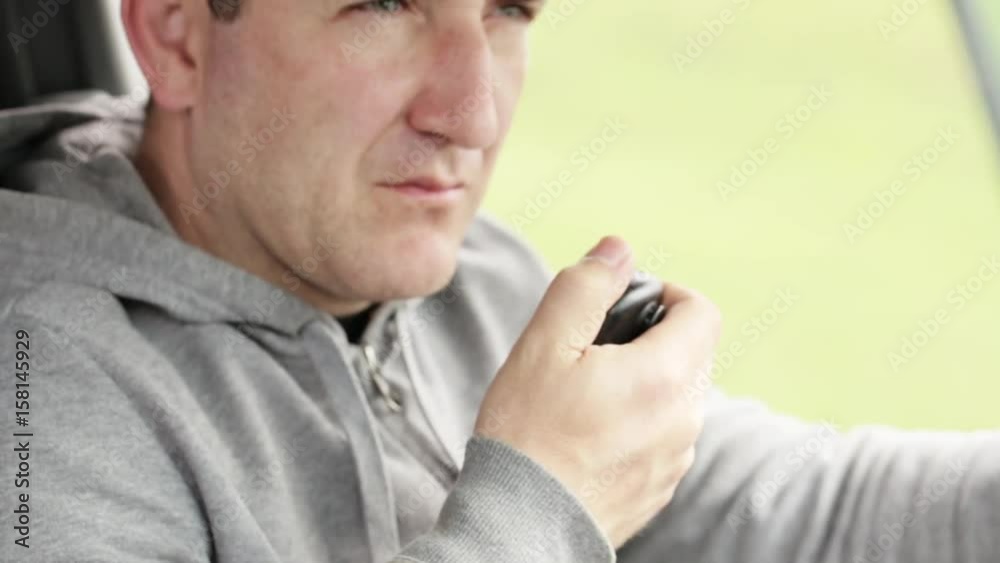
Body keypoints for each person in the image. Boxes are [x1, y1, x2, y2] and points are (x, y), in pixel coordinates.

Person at [0, 0, 995, 561]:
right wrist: (542, 501)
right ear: (175, 35)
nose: (471, 111)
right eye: (386, 8)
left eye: (509, 10)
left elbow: (793, 510)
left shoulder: (463, 284)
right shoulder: (41, 392)